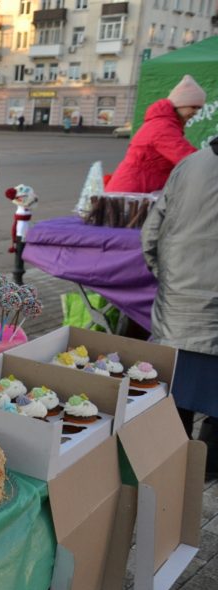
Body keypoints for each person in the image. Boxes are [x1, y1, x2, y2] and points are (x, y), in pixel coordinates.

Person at [141, 137, 218, 476]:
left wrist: (169, 282)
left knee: (178, 389)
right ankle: (209, 467)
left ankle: (174, 461)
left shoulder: (190, 164)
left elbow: (151, 234)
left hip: (178, 307)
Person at [106, 75, 205, 193]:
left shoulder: (162, 122)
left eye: (199, 108)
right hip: (133, 191)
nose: (195, 112)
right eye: (193, 107)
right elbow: (186, 156)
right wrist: (211, 160)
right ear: (180, 104)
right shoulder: (162, 127)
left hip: (136, 187)